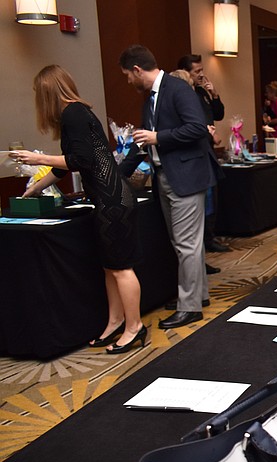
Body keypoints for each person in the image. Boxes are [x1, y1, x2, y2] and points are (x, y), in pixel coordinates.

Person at [13, 65, 145, 354]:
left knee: (121, 268)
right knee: (110, 267)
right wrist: (37, 186)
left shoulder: (73, 113)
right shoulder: (74, 113)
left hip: (112, 200)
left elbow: (79, 160)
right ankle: (115, 321)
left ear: (48, 92)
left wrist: (38, 158)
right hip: (109, 198)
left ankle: (134, 327)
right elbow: (67, 166)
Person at [120, 44, 221, 329]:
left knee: (187, 245)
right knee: (185, 244)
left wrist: (158, 137)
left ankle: (189, 307)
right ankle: (196, 296)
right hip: (166, 176)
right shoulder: (150, 98)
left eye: (128, 75)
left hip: (185, 177)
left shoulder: (177, 89)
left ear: (138, 70)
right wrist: (117, 176)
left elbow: (197, 128)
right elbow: (143, 142)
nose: (128, 81)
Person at [177, 53, 230, 255]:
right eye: (196, 71)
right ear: (185, 73)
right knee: (202, 199)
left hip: (207, 150)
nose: (201, 75)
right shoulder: (183, 97)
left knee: (211, 197)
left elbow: (218, 115)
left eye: (202, 70)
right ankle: (203, 243)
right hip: (195, 152)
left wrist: (214, 94)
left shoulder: (201, 93)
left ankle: (209, 238)